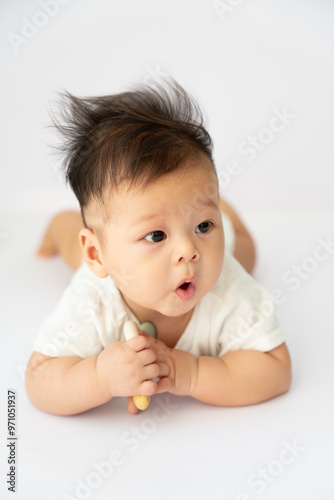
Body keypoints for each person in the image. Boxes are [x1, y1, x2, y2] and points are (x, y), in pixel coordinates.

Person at [25, 80, 291, 416]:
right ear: (99, 255)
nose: (189, 250)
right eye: (156, 236)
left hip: (222, 249)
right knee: (72, 246)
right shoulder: (93, 302)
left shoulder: (227, 287)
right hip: (107, 260)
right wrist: (100, 377)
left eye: (203, 226)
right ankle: (60, 224)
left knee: (245, 253)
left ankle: (227, 217)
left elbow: (276, 368)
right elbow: (39, 380)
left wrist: (190, 374)